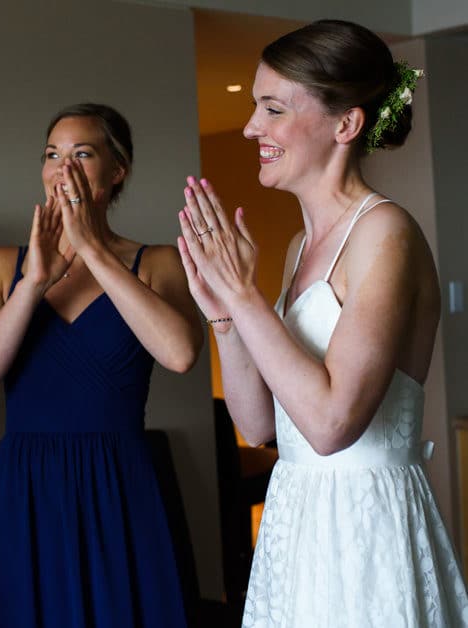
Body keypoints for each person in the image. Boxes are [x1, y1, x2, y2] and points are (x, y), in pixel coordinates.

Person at [176, 20, 468, 627]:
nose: (252, 126)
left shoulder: (385, 233)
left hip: (366, 526)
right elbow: (260, 425)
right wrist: (228, 315)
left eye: (273, 108)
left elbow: (333, 424)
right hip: (298, 521)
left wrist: (245, 296)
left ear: (346, 124)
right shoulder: (298, 247)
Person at [0, 103, 202, 627]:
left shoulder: (157, 262)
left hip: (120, 487)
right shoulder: (0, 265)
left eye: (82, 154)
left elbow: (180, 353)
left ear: (117, 172)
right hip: (24, 491)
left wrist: (92, 248)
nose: (61, 168)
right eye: (52, 155)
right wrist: (34, 284)